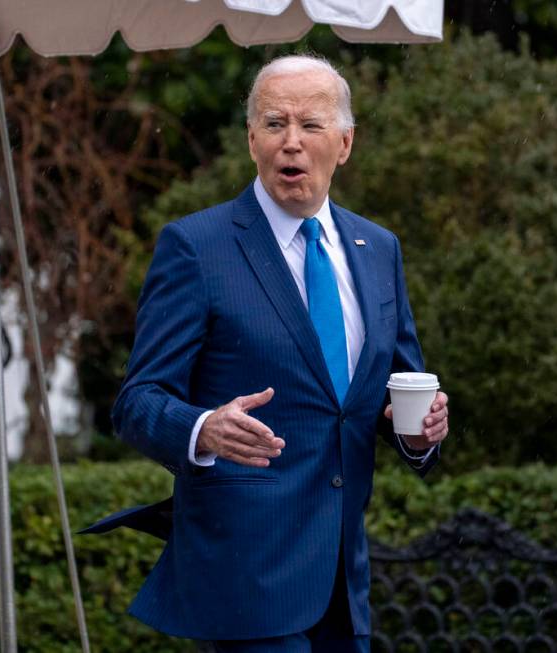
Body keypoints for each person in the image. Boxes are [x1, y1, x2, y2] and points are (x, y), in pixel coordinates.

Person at [90, 54, 450, 652]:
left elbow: (398, 390)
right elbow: (137, 402)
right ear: (251, 139)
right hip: (244, 577)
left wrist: (421, 432)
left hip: (342, 579)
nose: (292, 143)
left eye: (310, 125)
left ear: (345, 143)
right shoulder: (197, 247)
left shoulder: (378, 249)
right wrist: (203, 429)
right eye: (274, 124)